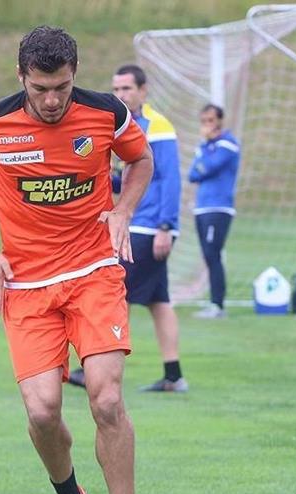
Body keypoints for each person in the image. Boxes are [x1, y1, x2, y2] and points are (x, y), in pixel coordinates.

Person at [0, 26, 154, 494]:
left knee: (107, 399)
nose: (51, 100)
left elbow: (140, 160)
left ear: (75, 76)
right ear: (21, 77)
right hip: (28, 284)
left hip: (94, 271)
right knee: (43, 410)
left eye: (62, 88)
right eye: (41, 88)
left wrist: (123, 210)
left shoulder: (106, 113)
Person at [68, 64, 187, 393]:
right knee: (158, 300)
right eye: (116, 89)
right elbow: (129, 178)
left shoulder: (157, 126)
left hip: (147, 229)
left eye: (127, 89)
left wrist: (166, 226)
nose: (120, 95)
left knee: (113, 294)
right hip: (140, 225)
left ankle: (95, 371)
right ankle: (173, 375)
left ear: (143, 91)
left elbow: (169, 178)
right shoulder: (121, 125)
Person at [188, 104, 241, 318]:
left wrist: (203, 157)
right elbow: (193, 174)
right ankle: (214, 304)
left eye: (210, 120)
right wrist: (204, 151)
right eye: (203, 121)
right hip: (201, 208)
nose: (207, 125)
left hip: (218, 208)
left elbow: (207, 167)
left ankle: (218, 305)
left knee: (213, 254)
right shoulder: (205, 146)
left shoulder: (228, 144)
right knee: (208, 255)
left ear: (220, 121)